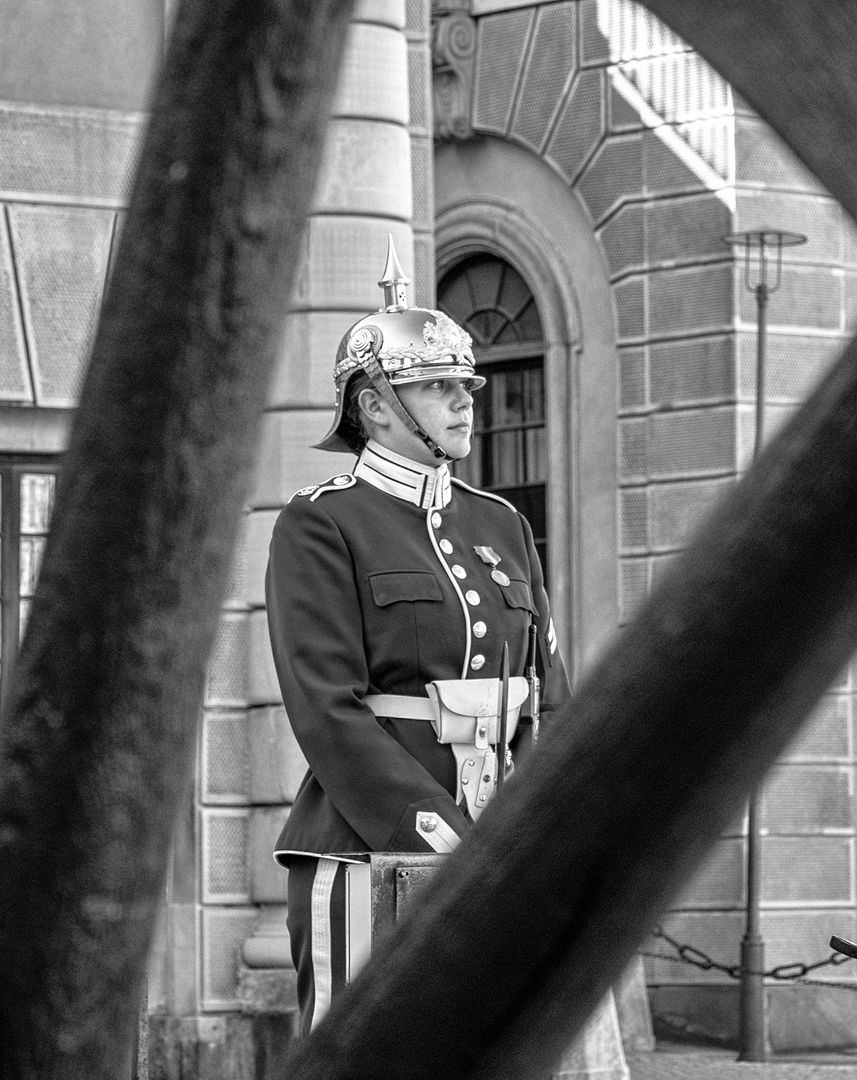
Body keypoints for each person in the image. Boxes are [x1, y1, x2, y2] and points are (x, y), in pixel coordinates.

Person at [265, 241, 570, 1029]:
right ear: (374, 406)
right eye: (437, 386)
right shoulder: (322, 523)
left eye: (465, 385)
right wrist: (440, 837)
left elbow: (549, 697)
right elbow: (326, 709)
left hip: (504, 847)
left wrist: (540, 826)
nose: (464, 401)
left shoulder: (501, 524)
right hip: (370, 845)